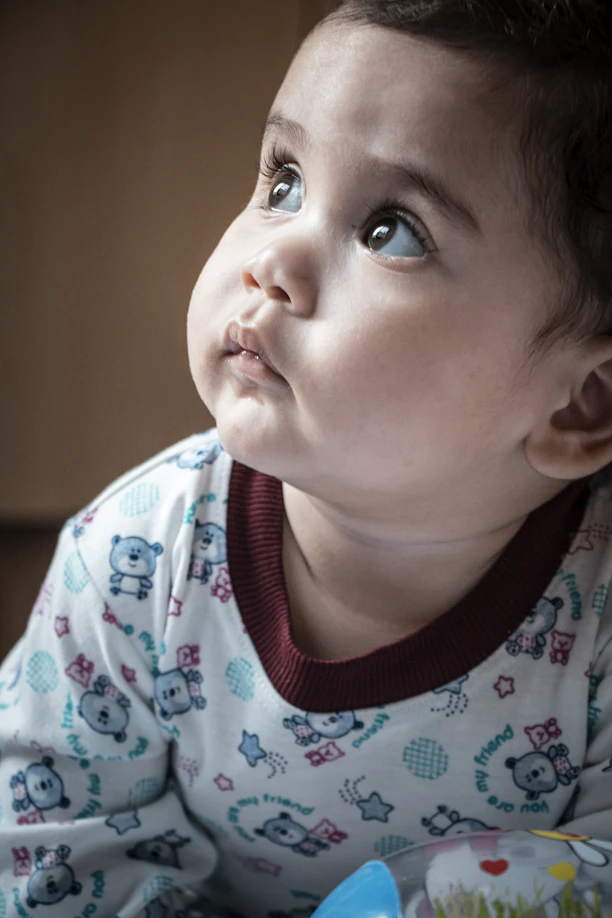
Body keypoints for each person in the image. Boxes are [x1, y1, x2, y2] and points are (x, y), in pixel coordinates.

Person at [1, 1, 612, 916]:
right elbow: (46, 851)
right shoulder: (130, 563)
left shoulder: (596, 618)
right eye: (283, 179)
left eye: (389, 230)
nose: (273, 256)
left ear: (577, 404)